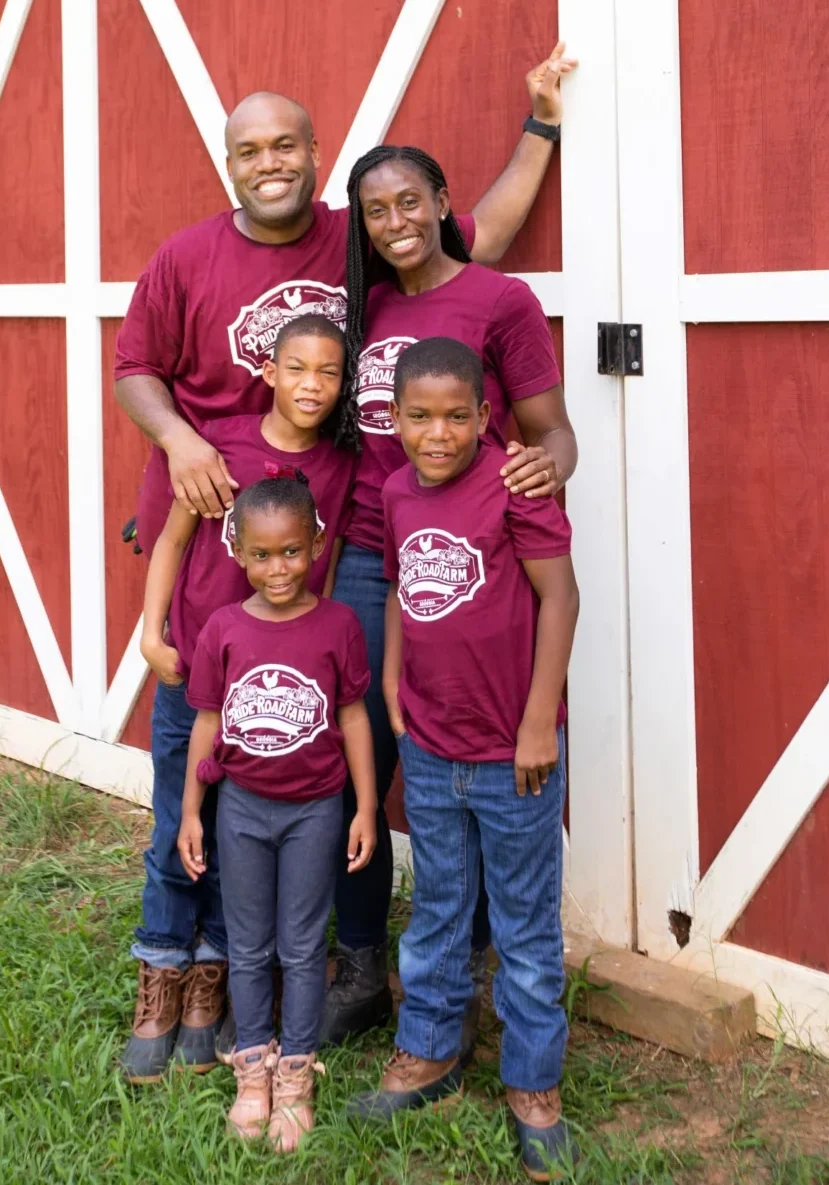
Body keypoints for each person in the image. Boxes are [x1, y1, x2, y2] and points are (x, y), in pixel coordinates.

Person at [114, 45, 576, 1072]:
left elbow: (473, 236)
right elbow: (135, 369)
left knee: (369, 749)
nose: (270, 161)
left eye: (287, 144)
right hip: (272, 551)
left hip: (373, 548)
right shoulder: (193, 256)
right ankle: (244, 964)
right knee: (253, 747)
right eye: (250, 148)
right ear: (227, 160)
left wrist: (540, 124)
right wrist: (183, 447)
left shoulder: (357, 241)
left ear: (317, 156)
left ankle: (417, 960)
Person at [319, 146, 577, 1048]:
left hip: (471, 546)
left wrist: (545, 473)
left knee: (470, 748)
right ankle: (360, 959)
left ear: (441, 202)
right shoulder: (366, 304)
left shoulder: (498, 302)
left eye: (410, 203)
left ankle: (469, 972)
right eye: (375, 210)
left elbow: (552, 434)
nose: (394, 223)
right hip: (369, 548)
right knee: (369, 755)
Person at [347, 338, 580, 1184]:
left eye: (456, 416)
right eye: (418, 417)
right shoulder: (401, 492)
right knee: (440, 903)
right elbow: (409, 589)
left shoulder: (515, 482)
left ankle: (533, 1084)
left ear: (485, 416)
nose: (436, 434)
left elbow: (561, 595)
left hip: (511, 753)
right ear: (395, 420)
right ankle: (429, 1049)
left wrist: (539, 724)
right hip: (435, 744)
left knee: (523, 925)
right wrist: (396, 676)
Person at [120, 315, 358, 1082]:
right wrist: (151, 631)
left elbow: (333, 569)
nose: (312, 386)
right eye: (297, 368)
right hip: (198, 671)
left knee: (239, 838)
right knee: (176, 823)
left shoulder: (337, 465)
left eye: (329, 371)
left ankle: (215, 978)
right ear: (269, 370)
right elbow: (173, 539)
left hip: (274, 687)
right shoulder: (216, 441)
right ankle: (162, 971)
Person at [178, 475, 377, 1152]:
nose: (278, 568)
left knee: (300, 944)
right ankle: (253, 1070)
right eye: (262, 555)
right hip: (239, 809)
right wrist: (191, 812)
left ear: (318, 544)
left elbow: (353, 718)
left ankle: (296, 1072)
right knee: (249, 943)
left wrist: (367, 806)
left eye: (292, 551)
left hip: (315, 809)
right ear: (237, 551)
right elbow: (206, 723)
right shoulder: (224, 629)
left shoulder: (339, 625)